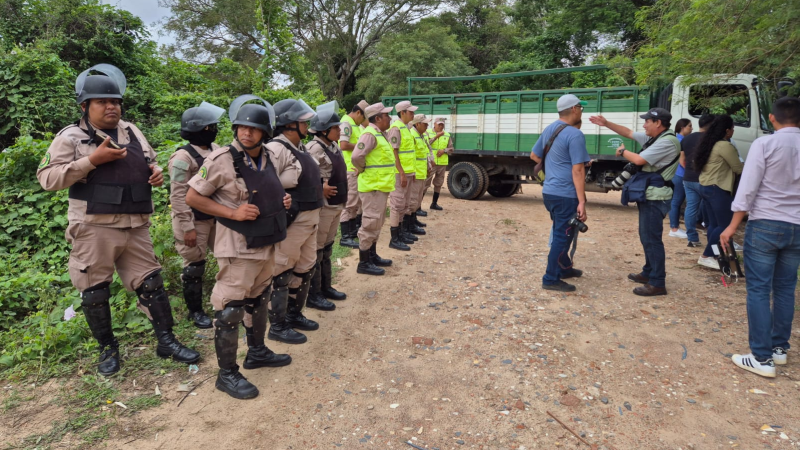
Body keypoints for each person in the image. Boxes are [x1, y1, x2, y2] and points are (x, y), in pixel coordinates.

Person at [37, 64, 200, 376]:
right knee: (95, 290)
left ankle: (166, 341)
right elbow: (47, 178)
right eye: (102, 102)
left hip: (136, 223)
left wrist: (154, 173)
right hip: (94, 226)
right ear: (85, 106)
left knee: (152, 283)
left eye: (115, 101)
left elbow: (150, 161)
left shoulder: (131, 131)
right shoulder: (71, 137)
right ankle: (108, 349)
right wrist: (90, 161)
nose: (111, 106)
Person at [186, 95, 292, 399]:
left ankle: (257, 352)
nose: (246, 133)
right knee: (231, 308)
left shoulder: (267, 157)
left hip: (267, 241)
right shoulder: (221, 160)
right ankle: (227, 374)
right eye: (241, 127)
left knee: (259, 298)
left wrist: (282, 200)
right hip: (238, 245)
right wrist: (232, 212)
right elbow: (193, 197)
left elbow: (268, 188)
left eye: (253, 129)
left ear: (265, 133)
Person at [721, 96, 800, 378]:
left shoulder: (765, 144)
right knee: (784, 289)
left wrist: (731, 227)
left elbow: (748, 188)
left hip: (766, 223)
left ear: (772, 118)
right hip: (797, 227)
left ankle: (762, 358)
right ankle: (779, 349)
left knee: (758, 289)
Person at [590, 107, 681, 296]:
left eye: (647, 121)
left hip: (656, 196)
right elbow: (629, 132)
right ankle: (649, 273)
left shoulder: (667, 142)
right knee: (646, 236)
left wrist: (623, 151)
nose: (644, 124)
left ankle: (657, 282)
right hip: (650, 194)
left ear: (658, 123)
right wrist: (606, 124)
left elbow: (639, 160)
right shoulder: (656, 138)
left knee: (651, 239)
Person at [264, 98, 331, 348]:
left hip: (310, 218)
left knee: (304, 268)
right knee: (282, 271)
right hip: (292, 222)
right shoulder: (276, 148)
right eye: (303, 121)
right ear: (289, 124)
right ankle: (278, 325)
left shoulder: (300, 147)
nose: (307, 124)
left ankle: (294, 314)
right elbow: (266, 186)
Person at [169, 102, 225, 329]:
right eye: (210, 126)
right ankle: (195, 312)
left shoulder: (215, 149)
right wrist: (187, 227)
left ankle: (224, 301)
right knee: (194, 265)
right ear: (198, 129)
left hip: (215, 217)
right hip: (193, 220)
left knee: (227, 256)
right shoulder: (183, 158)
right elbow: (178, 195)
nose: (214, 129)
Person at [530, 94, 589, 292]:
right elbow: (578, 170)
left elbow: (534, 155)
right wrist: (582, 201)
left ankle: (564, 268)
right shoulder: (574, 134)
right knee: (561, 236)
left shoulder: (550, 129)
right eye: (581, 107)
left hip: (550, 192)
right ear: (573, 109)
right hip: (566, 194)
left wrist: (555, 165)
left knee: (564, 230)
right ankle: (550, 278)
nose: (582, 110)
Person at [306, 101, 348, 306]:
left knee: (328, 247)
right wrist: (319, 187)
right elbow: (305, 175)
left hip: (336, 204)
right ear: (324, 131)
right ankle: (314, 295)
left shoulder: (332, 146)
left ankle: (326, 287)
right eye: (336, 128)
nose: (340, 130)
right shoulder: (314, 148)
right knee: (317, 249)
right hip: (324, 206)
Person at [692, 115, 743, 270]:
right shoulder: (724, 145)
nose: (733, 131)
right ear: (727, 130)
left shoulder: (709, 143)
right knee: (726, 224)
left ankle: (714, 255)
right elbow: (738, 168)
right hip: (717, 188)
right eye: (732, 128)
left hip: (706, 187)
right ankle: (706, 256)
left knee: (714, 225)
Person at [350, 103, 396, 275]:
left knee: (377, 222)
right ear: (377, 118)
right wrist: (362, 169)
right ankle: (363, 263)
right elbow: (356, 156)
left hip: (380, 186)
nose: (390, 118)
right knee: (370, 223)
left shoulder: (380, 134)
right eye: (386, 115)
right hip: (372, 187)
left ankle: (372, 255)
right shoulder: (370, 134)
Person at [387, 101, 421, 251]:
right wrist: (401, 172)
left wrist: (411, 172)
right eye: (411, 112)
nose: (413, 115)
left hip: (408, 173)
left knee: (405, 205)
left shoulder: (407, 128)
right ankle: (394, 238)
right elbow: (394, 153)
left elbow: (409, 153)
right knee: (397, 205)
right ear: (402, 113)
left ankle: (401, 233)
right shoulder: (396, 129)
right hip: (399, 174)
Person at [338, 100, 369, 248]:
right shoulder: (346, 123)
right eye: (362, 117)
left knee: (355, 203)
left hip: (355, 169)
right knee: (349, 203)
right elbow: (343, 145)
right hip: (350, 169)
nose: (363, 121)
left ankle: (352, 232)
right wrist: (360, 147)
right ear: (358, 112)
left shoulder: (355, 125)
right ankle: (345, 236)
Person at [680, 114, 715, 248]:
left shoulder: (687, 138)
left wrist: (691, 169)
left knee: (691, 208)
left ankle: (692, 239)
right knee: (710, 207)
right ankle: (712, 235)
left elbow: (682, 159)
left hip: (688, 178)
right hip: (705, 179)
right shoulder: (711, 139)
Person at [668, 118, 693, 239]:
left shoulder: (677, 139)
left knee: (676, 201)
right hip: (680, 174)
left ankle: (675, 227)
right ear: (682, 128)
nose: (691, 128)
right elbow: (682, 160)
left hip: (677, 174)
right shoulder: (680, 141)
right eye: (689, 126)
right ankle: (674, 228)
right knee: (676, 201)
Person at [409, 114, 432, 230]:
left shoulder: (421, 135)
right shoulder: (412, 135)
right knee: (412, 200)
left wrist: (428, 167)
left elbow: (424, 154)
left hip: (421, 173)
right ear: (417, 124)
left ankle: (413, 221)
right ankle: (409, 225)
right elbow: (410, 156)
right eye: (425, 124)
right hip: (415, 174)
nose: (427, 126)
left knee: (417, 199)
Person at [426, 118, 453, 210]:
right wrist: (437, 136)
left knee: (438, 184)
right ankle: (417, 207)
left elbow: (451, 149)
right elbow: (425, 144)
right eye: (439, 124)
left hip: (442, 163)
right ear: (434, 124)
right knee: (425, 183)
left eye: (442, 124)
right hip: (431, 163)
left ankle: (434, 204)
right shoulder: (427, 132)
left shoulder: (447, 135)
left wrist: (444, 150)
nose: (441, 126)